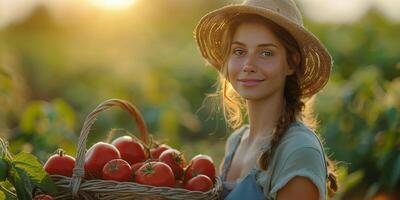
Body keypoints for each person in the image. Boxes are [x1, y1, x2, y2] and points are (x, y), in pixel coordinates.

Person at [194, 0, 339, 199]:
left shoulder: (298, 150)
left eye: (266, 53)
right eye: (239, 51)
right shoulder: (237, 141)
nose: (248, 65)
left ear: (291, 63)